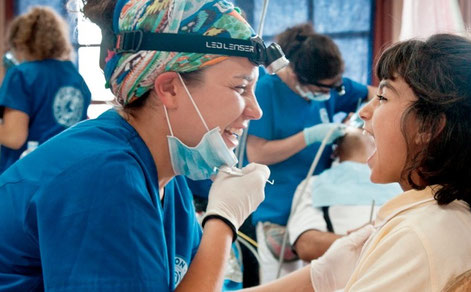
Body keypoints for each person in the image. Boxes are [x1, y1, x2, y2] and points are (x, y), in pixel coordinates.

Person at [0, 0, 278, 290]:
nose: (256, 111)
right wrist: (223, 221)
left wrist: (320, 275)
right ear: (170, 88)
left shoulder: (169, 182)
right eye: (240, 87)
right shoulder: (103, 177)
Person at [243, 33, 471, 291]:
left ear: (429, 126)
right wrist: (323, 274)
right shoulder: (430, 220)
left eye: (384, 97)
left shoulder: (418, 235)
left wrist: (219, 224)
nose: (364, 112)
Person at [245, 23, 376, 283]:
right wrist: (309, 137)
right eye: (321, 90)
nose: (328, 95)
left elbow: (374, 95)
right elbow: (257, 153)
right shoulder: (265, 91)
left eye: (333, 88)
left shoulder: (329, 85)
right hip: (278, 213)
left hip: (320, 203)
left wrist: (366, 118)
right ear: (293, 74)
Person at [288, 126, 401, 262]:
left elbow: (308, 246)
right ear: (377, 149)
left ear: (335, 153)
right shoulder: (401, 185)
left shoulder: (314, 184)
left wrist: (359, 243)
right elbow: (306, 246)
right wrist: (380, 245)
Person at [0, 6, 91, 173]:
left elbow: (14, 137)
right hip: (67, 170)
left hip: (27, 173)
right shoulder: (76, 78)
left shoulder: (21, 74)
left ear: (22, 43)